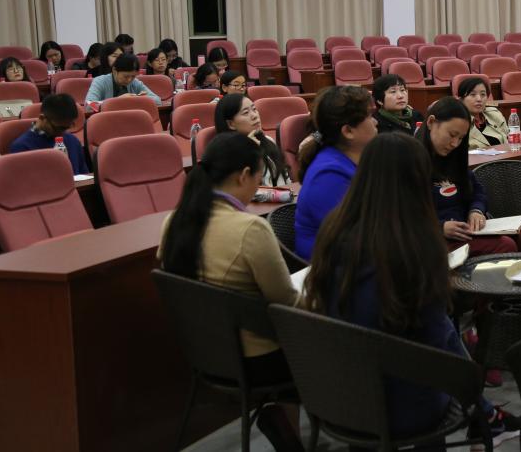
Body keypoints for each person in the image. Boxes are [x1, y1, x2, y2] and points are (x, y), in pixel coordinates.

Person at [301, 132, 521, 443]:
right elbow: (437, 340)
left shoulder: (334, 229)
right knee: (441, 338)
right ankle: (483, 417)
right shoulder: (410, 246)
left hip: (337, 393)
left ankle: (484, 415)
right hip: (400, 406)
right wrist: (474, 386)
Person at [157, 132, 302, 451]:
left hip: (205, 352)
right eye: (259, 179)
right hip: (259, 360)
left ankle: (283, 422)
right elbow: (287, 302)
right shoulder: (249, 229)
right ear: (243, 175)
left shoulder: (173, 223)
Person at [419, 97, 521, 256]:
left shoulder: (453, 158)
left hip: (467, 231)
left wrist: (476, 210)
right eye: (452, 135)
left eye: (461, 138)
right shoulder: (410, 162)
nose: (455, 144)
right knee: (504, 246)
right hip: (433, 239)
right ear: (431, 122)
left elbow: (477, 191)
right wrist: (440, 228)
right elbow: (402, 216)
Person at [294, 86, 377, 260]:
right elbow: (354, 239)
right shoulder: (328, 176)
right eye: (370, 116)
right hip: (333, 266)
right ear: (348, 131)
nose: (376, 122)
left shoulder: (358, 160)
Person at [214, 94, 290, 186]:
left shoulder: (268, 140)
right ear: (231, 124)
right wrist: (250, 154)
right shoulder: (226, 155)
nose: (254, 116)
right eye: (246, 113)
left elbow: (285, 179)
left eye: (254, 109)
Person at [8, 93, 88, 175]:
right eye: (58, 128)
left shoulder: (73, 141)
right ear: (42, 118)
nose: (62, 133)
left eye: (67, 127)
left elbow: (84, 176)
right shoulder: (22, 147)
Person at [85, 53, 160, 103]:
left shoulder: (135, 82)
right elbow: (89, 105)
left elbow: (158, 100)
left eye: (133, 76)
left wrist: (144, 99)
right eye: (126, 76)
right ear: (114, 70)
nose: (129, 80)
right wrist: (118, 100)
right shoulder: (100, 81)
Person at [456, 76, 507, 149]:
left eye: (483, 94)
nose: (479, 99)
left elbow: (510, 138)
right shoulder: (457, 122)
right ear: (461, 100)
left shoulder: (495, 115)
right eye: (473, 94)